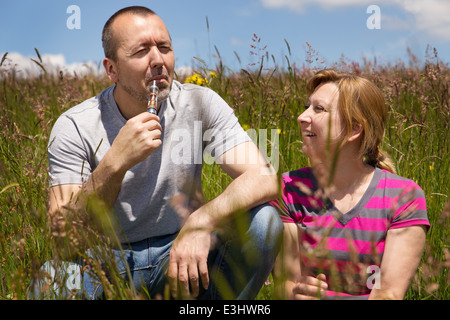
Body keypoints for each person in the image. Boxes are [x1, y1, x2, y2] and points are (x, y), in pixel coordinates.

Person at [33, 6, 282, 300]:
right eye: (141, 51)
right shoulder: (75, 125)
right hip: (106, 258)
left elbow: (264, 177)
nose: (158, 60)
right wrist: (114, 163)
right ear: (111, 69)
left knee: (264, 222)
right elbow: (64, 236)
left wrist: (202, 220)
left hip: (180, 249)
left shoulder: (199, 103)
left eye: (165, 48)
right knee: (54, 280)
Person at [272, 69, 429, 300]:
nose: (302, 117)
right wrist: (294, 294)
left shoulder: (404, 196)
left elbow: (388, 293)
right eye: (307, 106)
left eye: (319, 109)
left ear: (355, 128)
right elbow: (287, 284)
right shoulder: (288, 189)